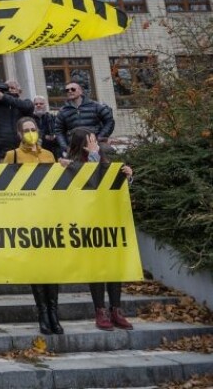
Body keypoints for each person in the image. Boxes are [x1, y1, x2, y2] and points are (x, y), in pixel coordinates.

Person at [60, 128, 134, 332]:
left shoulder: (105, 158)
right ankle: (100, 310)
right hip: (87, 223)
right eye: (89, 141)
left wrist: (127, 176)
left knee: (113, 267)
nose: (94, 144)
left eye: (94, 140)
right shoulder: (70, 162)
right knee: (96, 267)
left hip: (110, 221)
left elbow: (112, 184)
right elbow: (90, 181)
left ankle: (116, 309)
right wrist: (92, 156)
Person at [1, 117, 63, 335]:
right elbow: (3, 186)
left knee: (52, 269)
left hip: (49, 218)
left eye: (33, 129)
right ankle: (43, 313)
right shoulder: (13, 156)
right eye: (26, 130)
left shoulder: (49, 155)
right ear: (19, 134)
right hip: (27, 220)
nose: (30, 133)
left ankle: (55, 313)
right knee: (36, 269)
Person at [0, 78, 34, 159]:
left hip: (25, 149)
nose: (9, 90)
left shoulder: (25, 103)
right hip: (4, 152)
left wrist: (4, 97)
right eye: (7, 88)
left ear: (20, 91)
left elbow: (28, 107)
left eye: (12, 88)